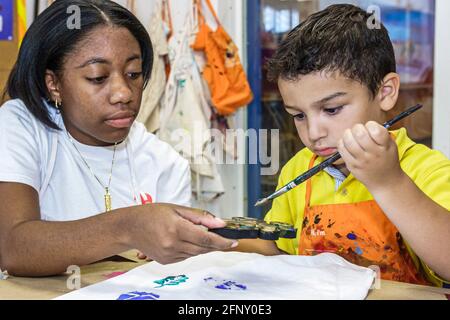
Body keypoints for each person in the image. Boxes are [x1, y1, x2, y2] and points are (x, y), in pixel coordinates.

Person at [0, 0, 237, 277]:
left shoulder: (165, 164)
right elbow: (12, 248)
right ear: (54, 83)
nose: (123, 93)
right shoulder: (21, 126)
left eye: (133, 74)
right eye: (98, 77)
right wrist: (129, 227)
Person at [236, 4, 450, 287]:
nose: (313, 133)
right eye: (299, 115)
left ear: (385, 93)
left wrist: (389, 183)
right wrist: (221, 239)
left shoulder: (428, 171)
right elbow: (279, 251)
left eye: (332, 109)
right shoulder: (299, 168)